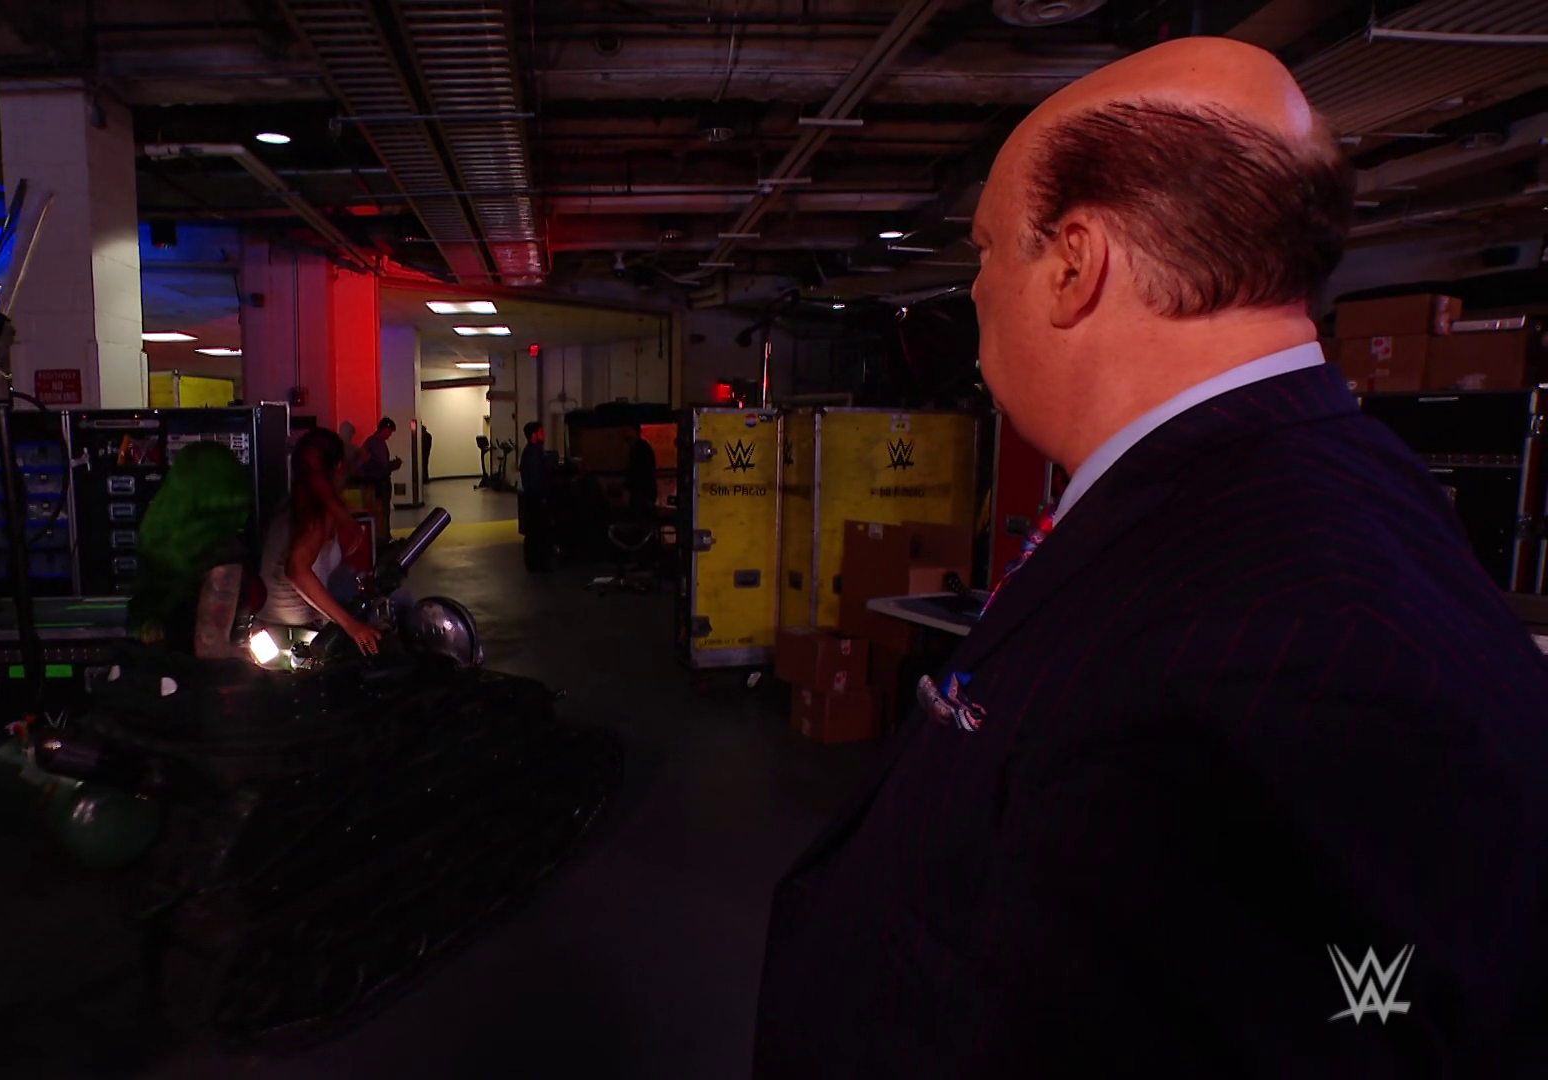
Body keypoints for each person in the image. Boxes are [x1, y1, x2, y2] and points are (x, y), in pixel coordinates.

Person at [755, 36, 1548, 1078]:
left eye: (987, 249)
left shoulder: (1307, 635)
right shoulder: (1282, 485)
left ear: (1074, 265)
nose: (977, 289)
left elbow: (1366, 1012)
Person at [125, 441, 254, 659]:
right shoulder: (224, 556)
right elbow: (209, 646)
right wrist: (251, 662)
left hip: (161, 669)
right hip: (200, 676)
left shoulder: (160, 539)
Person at [260, 428, 381, 655]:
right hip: (303, 628)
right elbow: (296, 570)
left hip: (269, 622)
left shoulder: (290, 505)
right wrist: (351, 626)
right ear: (338, 468)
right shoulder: (317, 511)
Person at [359, 417, 403, 542]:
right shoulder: (377, 443)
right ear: (384, 429)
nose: (390, 435)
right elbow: (383, 465)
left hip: (375, 482)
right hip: (379, 483)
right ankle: (383, 537)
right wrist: (395, 464)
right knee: (382, 511)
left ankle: (383, 536)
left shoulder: (371, 442)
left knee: (380, 511)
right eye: (389, 432)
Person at [518, 421, 552, 572]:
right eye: (540, 432)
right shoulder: (534, 454)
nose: (543, 435)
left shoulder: (531, 452)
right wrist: (542, 496)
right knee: (538, 531)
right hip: (535, 499)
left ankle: (535, 562)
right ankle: (538, 563)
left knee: (533, 531)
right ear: (533, 435)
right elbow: (536, 478)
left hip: (532, 498)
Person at [622, 422, 657, 521]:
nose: (624, 433)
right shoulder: (642, 447)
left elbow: (637, 473)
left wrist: (627, 487)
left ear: (634, 431)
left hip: (642, 493)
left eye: (627, 430)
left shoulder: (639, 449)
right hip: (644, 493)